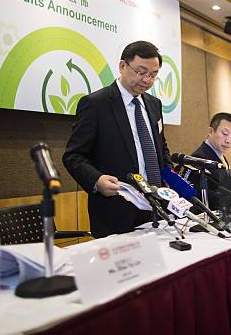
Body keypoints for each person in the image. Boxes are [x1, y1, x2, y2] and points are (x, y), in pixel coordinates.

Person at [63, 41, 172, 238]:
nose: (147, 80)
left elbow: (161, 148)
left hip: (157, 207)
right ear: (123, 66)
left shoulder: (154, 104)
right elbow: (73, 156)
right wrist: (96, 180)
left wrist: (169, 176)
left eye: (153, 75)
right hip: (116, 210)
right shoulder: (96, 104)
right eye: (141, 72)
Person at [189, 112, 231, 210]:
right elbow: (209, 197)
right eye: (224, 134)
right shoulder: (199, 159)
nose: (228, 140)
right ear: (211, 131)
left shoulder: (220, 156)